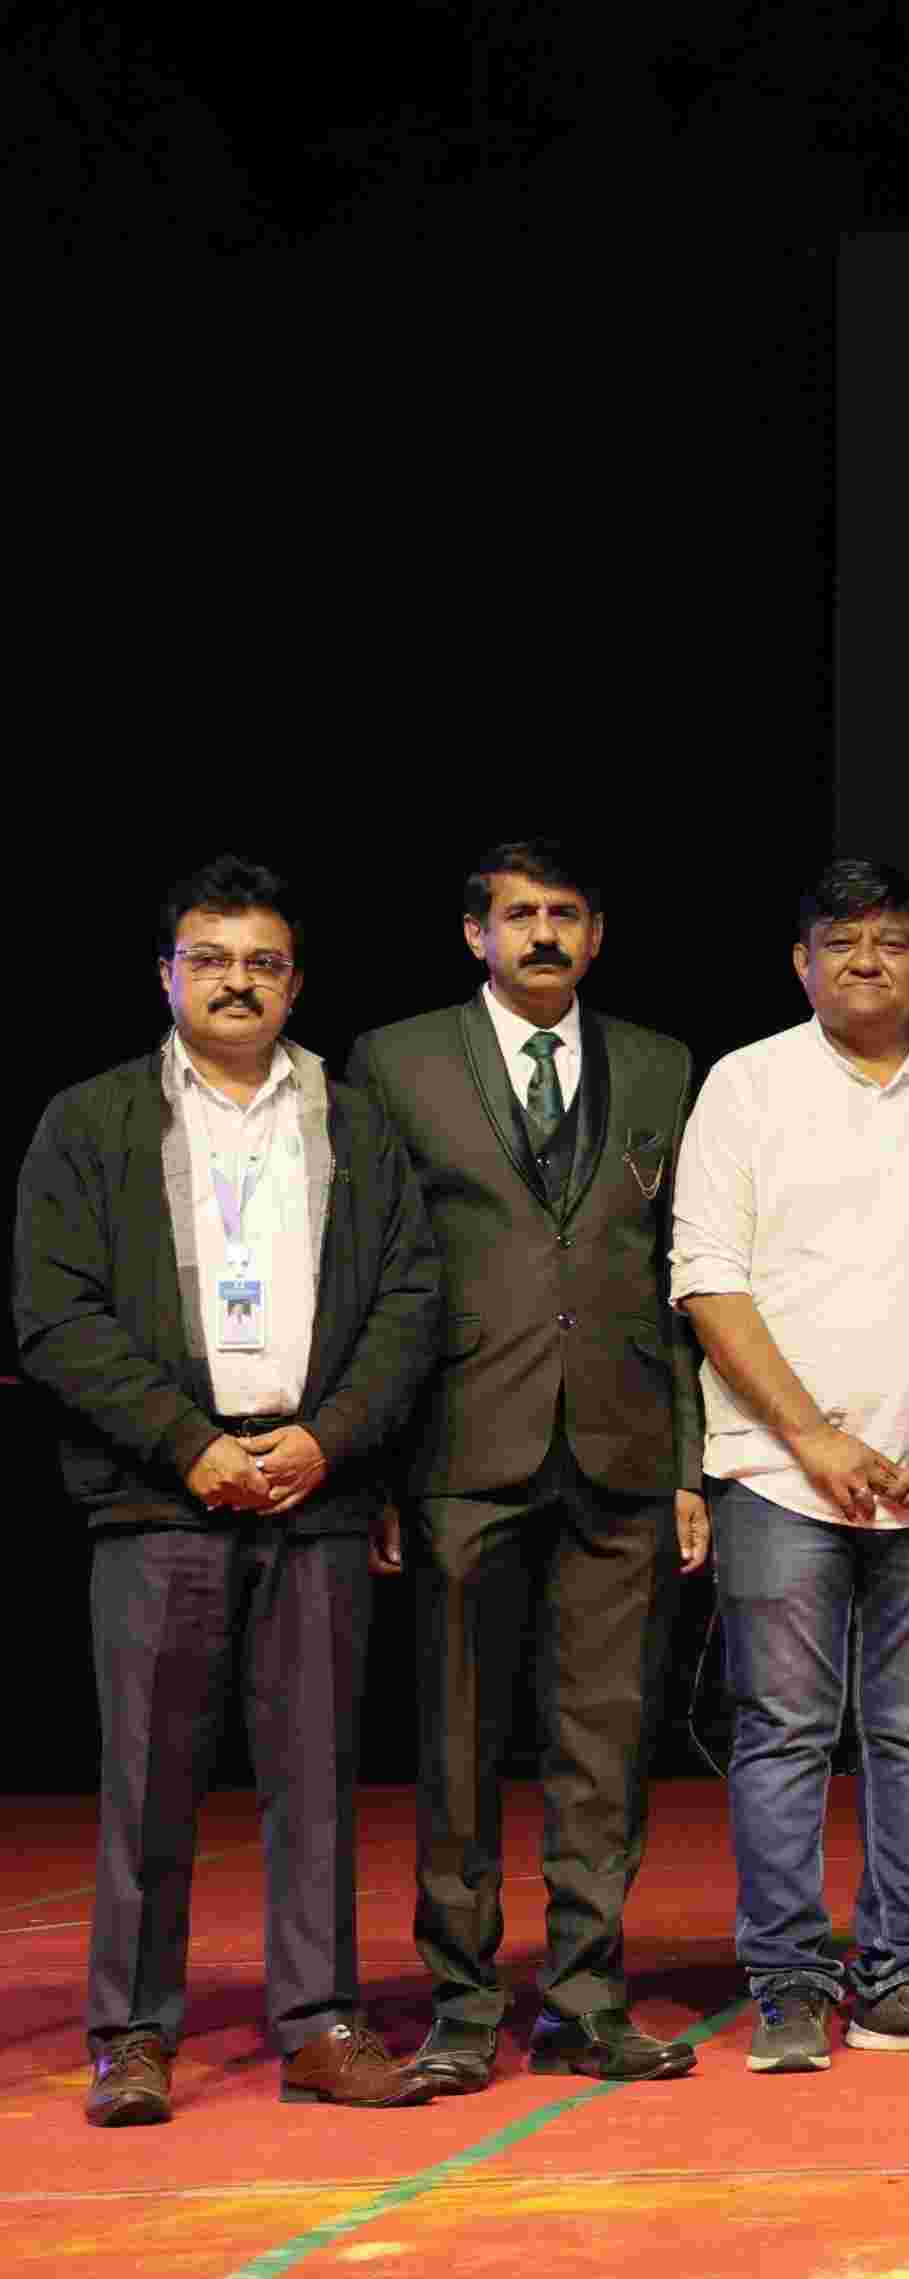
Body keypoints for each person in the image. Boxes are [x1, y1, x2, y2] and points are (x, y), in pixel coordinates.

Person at [22, 857, 442, 2124]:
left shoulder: (355, 1121)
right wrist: (184, 1441)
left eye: (263, 962)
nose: (237, 982)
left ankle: (319, 2021)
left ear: (295, 983)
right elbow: (55, 1313)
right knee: (147, 1780)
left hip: (315, 1488)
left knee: (317, 1779)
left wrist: (333, 1437)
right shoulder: (91, 1119)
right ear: (166, 975)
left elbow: (411, 1294)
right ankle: (133, 2033)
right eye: (210, 959)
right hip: (163, 1495)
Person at [674, 858, 909, 2075]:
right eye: (840, 941)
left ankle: (899, 1977)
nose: (865, 961)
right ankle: (788, 1982)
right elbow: (707, 1278)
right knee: (784, 1729)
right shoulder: (746, 1082)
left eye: (890, 940)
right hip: (779, 1469)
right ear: (801, 963)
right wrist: (811, 1434)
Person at [348, 839, 708, 2091]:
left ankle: (586, 2001)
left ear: (595, 934)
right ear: (476, 933)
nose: (542, 933)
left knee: (605, 1741)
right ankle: (460, 2005)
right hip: (460, 1440)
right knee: (458, 1740)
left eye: (563, 913)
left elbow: (679, 1275)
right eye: (518, 914)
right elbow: (372, 1268)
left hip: (623, 1438)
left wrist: (689, 1462)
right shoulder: (396, 1059)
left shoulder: (661, 1063)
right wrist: (382, 1463)